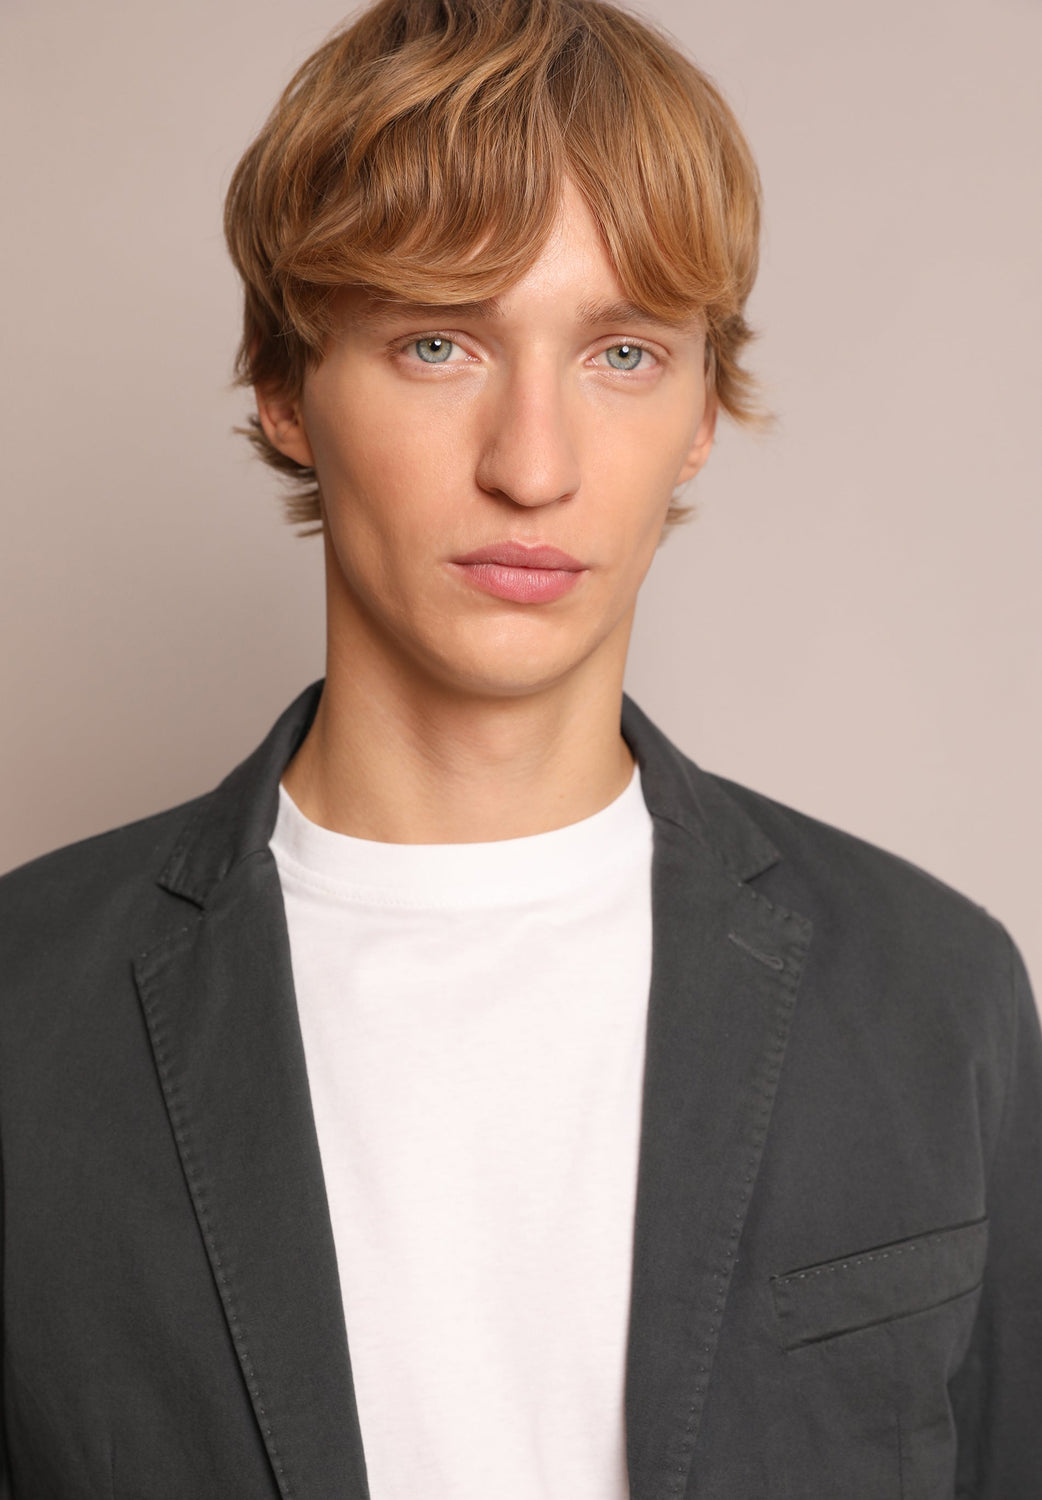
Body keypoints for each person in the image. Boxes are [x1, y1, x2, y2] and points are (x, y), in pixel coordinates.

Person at [1, 0, 1038, 1494]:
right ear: (285, 389)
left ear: (701, 411)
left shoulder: (933, 991)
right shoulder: (28, 1010)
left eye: (622, 352)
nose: (532, 465)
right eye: (437, 343)